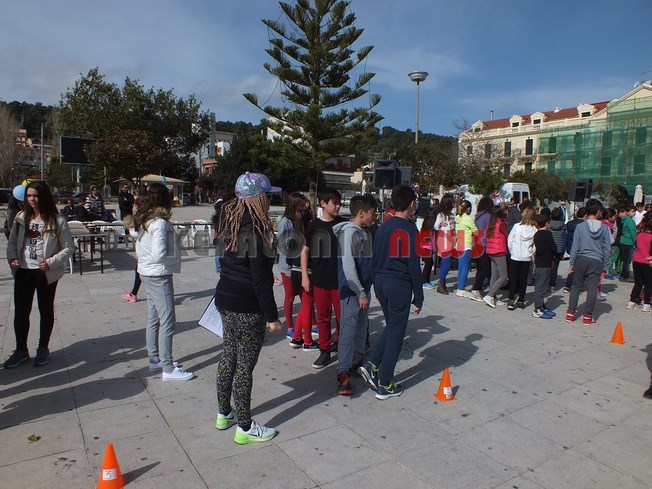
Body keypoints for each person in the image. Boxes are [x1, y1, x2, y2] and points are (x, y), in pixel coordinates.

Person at [213, 172, 282, 445]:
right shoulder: (256, 230)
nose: (270, 202)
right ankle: (245, 426)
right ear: (258, 199)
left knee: (228, 355)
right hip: (246, 305)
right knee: (244, 366)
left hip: (225, 298)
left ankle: (224, 413)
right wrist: (272, 316)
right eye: (267, 196)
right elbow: (261, 279)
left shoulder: (230, 221)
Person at [359, 184, 423, 400]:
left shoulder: (383, 226)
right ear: (412, 204)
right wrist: (419, 296)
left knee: (392, 327)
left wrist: (375, 286)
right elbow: (414, 265)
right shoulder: (410, 230)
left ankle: (372, 365)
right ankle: (385, 383)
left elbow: (373, 259)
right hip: (399, 286)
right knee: (397, 334)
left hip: (382, 282)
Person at [4, 181, 74, 368]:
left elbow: (68, 248)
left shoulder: (57, 221)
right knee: (21, 312)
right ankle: (21, 350)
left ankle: (43, 347)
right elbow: (12, 242)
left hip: (45, 273)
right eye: (28, 196)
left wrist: (51, 262)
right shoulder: (21, 217)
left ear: (44, 197)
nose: (32, 199)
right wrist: (12, 258)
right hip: (23, 271)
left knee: (45, 309)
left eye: (35, 195)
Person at [127, 183, 193, 381]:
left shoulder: (145, 219)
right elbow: (159, 255)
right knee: (167, 320)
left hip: (147, 272)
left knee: (154, 317)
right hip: (158, 274)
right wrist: (176, 257)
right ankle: (168, 368)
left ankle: (155, 359)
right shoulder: (159, 223)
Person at [333, 194, 376, 396]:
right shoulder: (349, 233)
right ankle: (342, 372)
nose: (374, 217)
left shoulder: (362, 233)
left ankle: (356, 361)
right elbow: (349, 267)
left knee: (361, 328)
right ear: (361, 213)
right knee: (348, 332)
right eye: (372, 213)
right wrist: (360, 292)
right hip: (352, 293)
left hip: (362, 291)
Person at [301, 187, 345, 369]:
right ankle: (324, 350)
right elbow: (305, 251)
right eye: (335, 203)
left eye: (339, 203)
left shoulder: (344, 225)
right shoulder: (313, 226)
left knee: (343, 318)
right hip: (319, 280)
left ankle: (342, 345)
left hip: (340, 281)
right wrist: (305, 276)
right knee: (323, 318)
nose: (338, 206)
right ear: (323, 204)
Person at [278, 192, 317, 349]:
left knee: (306, 299)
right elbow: (282, 246)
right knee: (290, 297)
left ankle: (311, 324)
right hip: (289, 267)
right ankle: (290, 327)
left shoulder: (301, 221)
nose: (306, 208)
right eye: (303, 205)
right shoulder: (285, 222)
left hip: (299, 266)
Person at [565, 199, 612, 325]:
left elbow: (575, 247)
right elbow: (607, 249)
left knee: (576, 287)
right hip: (596, 261)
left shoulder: (580, 226)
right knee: (592, 289)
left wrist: (571, 264)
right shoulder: (605, 228)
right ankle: (587, 316)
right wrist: (605, 266)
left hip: (581, 259)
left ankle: (570, 313)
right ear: (598, 211)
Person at [507, 204, 536, 310]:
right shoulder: (534, 229)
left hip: (515, 255)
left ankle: (511, 300)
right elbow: (534, 245)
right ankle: (521, 301)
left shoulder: (516, 227)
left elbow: (510, 240)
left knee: (513, 278)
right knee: (523, 279)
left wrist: (512, 251)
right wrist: (530, 252)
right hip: (526, 257)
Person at [532, 214, 557, 319]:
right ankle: (537, 309)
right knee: (541, 286)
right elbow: (554, 248)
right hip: (545, 262)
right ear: (546, 223)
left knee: (541, 285)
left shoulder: (537, 234)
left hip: (540, 262)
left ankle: (541, 305)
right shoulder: (548, 234)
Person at [483, 207, 509, 308]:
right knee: (503, 277)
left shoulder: (490, 223)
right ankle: (490, 295)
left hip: (491, 251)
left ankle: (493, 297)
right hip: (499, 251)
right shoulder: (501, 224)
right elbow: (507, 236)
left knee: (494, 276)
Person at [469, 197, 493, 301]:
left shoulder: (478, 216)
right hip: (484, 244)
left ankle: (477, 288)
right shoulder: (488, 216)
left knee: (480, 268)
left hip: (477, 244)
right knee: (485, 269)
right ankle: (476, 288)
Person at [626, 215, 652, 311]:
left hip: (636, 260)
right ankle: (646, 304)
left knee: (638, 283)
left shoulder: (640, 235)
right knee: (648, 283)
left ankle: (632, 302)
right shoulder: (651, 237)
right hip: (647, 262)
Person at [454, 199, 478, 299]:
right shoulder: (468, 219)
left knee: (461, 267)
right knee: (465, 268)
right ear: (468, 209)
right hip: (466, 244)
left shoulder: (458, 218)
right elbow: (476, 232)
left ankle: (460, 287)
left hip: (459, 243)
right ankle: (461, 289)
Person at [434, 194, 455, 295]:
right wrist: (440, 224)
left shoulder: (451, 214)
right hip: (444, 240)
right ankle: (440, 283)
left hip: (450, 240)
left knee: (445, 263)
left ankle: (443, 283)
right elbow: (435, 226)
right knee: (446, 263)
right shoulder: (441, 215)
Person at [563, 207, 587, 291]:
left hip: (570, 247)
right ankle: (570, 285)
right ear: (585, 215)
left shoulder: (570, 223)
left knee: (573, 266)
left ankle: (569, 285)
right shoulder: (584, 225)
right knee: (578, 268)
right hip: (580, 248)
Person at [548, 206, 566, 292]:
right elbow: (564, 239)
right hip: (558, 248)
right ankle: (552, 285)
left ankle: (545, 283)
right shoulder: (563, 226)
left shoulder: (548, 224)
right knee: (554, 268)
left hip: (549, 248)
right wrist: (563, 250)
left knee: (547, 267)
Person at [618, 205, 637, 283]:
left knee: (625, 260)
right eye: (632, 211)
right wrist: (635, 241)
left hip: (623, 241)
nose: (634, 213)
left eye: (634, 211)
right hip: (629, 242)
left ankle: (623, 275)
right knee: (627, 261)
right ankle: (625, 276)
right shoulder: (630, 221)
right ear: (627, 212)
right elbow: (633, 233)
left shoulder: (624, 220)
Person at [420, 209, 438, 289]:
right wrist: (435, 249)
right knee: (428, 265)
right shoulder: (430, 229)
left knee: (429, 265)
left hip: (425, 248)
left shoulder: (425, 226)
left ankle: (427, 281)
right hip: (427, 248)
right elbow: (432, 241)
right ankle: (424, 282)